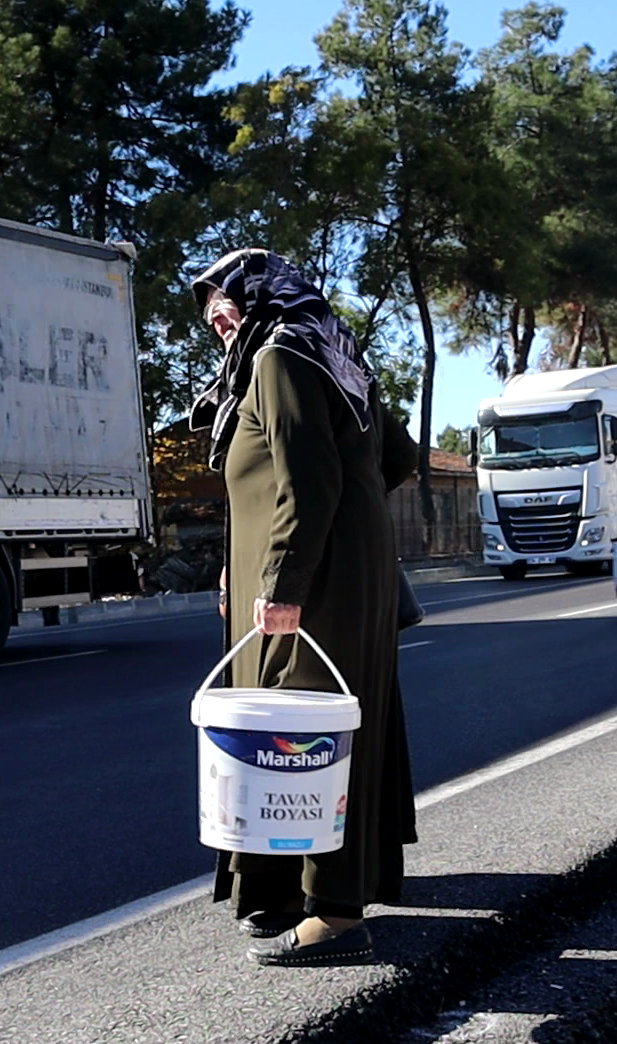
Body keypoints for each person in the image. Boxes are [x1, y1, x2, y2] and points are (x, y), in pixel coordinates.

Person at [189, 248, 419, 967]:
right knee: (315, 728)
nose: (215, 318)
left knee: (304, 737)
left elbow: (309, 482)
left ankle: (336, 916)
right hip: (338, 569)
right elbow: (400, 459)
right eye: (206, 311)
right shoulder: (332, 353)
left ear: (257, 295)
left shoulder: (282, 360)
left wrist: (286, 582)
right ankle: (283, 887)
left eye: (223, 302)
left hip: (312, 583)